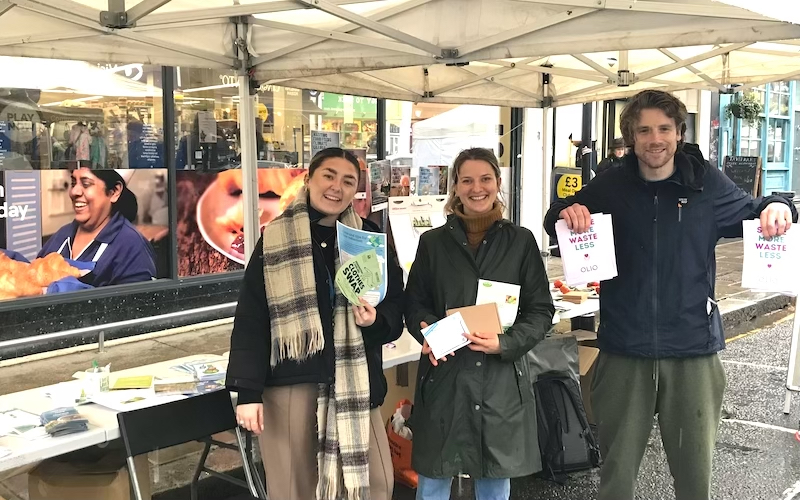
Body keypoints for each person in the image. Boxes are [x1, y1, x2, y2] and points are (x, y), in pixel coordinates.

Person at [544, 89, 797, 500]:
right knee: (617, 478)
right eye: (643, 130)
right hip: (624, 350)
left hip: (692, 351)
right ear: (630, 138)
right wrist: (563, 213)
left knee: (695, 479)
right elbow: (559, 214)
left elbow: (755, 210)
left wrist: (779, 206)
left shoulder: (704, 184)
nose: (654, 139)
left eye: (664, 128)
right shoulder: (612, 184)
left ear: (679, 133)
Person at [226, 147, 405, 500]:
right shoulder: (275, 238)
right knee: (296, 487)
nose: (337, 187)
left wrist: (375, 320)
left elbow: (394, 305)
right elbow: (252, 318)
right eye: (329, 176)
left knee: (375, 483)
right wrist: (247, 392)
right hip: (291, 383)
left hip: (355, 383)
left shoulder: (369, 240)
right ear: (309, 179)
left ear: (357, 190)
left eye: (348, 181)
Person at [405, 147, 555, 500]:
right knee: (433, 482)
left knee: (493, 481)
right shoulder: (432, 243)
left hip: (499, 381)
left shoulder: (520, 241)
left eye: (485, 179)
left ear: (498, 183)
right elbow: (415, 304)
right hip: (446, 377)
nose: (477, 188)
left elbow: (541, 310)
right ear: (455, 186)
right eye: (467, 180)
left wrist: (506, 343)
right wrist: (426, 331)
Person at [38, 167, 156, 287]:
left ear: (114, 192)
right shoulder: (63, 235)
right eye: (73, 183)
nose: (74, 191)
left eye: (86, 184)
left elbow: (136, 302)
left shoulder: (131, 245)